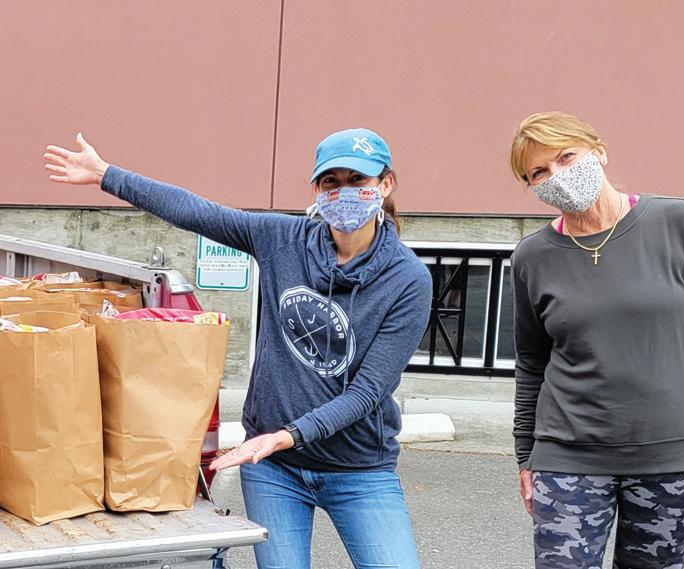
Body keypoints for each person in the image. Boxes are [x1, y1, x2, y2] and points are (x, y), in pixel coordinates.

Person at [44, 128, 432, 569]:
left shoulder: (408, 279)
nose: (343, 192)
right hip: (275, 469)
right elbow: (196, 212)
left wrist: (286, 435)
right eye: (332, 182)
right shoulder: (283, 240)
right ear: (316, 190)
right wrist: (105, 174)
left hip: (358, 469)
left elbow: (366, 393)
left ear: (385, 184)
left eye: (357, 180)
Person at [508, 111, 684, 569]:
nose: (557, 176)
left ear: (598, 150)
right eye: (539, 172)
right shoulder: (532, 257)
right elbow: (531, 362)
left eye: (567, 157)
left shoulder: (680, 221)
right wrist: (526, 456)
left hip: (674, 455)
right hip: (567, 456)